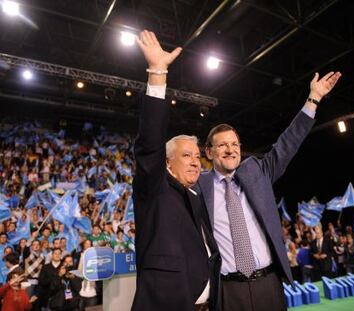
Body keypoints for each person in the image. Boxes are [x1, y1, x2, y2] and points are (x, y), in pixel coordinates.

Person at [198, 68, 341, 310]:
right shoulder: (199, 186)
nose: (230, 149)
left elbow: (287, 143)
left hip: (269, 284)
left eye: (235, 144)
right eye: (222, 145)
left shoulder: (257, 172)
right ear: (209, 153)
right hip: (228, 290)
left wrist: (313, 99)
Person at [131, 30, 220, 311]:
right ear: (167, 162)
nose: (196, 161)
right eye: (186, 156)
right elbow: (149, 145)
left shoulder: (194, 196)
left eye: (197, 156)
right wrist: (157, 72)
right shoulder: (154, 186)